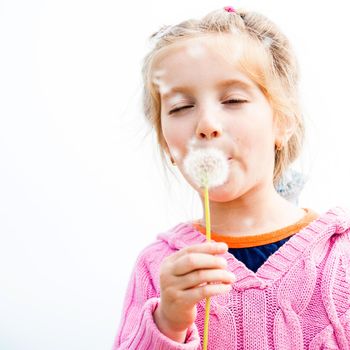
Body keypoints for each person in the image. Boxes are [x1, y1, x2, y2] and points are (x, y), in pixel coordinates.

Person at [113, 6, 350, 349]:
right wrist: (167, 323)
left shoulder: (341, 258)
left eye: (233, 99)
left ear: (283, 121)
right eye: (180, 107)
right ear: (166, 141)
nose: (206, 124)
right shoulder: (156, 267)